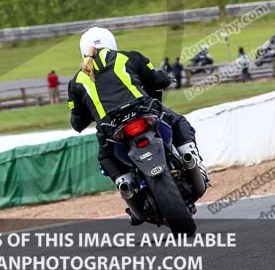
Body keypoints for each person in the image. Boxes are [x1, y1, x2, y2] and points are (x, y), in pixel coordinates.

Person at [67, 27, 208, 222]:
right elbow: (157, 79)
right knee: (178, 122)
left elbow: (77, 122)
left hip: (111, 128)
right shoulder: (129, 57)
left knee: (105, 158)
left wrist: (87, 114)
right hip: (144, 111)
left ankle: (126, 187)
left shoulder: (76, 82)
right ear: (112, 43)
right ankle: (192, 160)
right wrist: (167, 79)